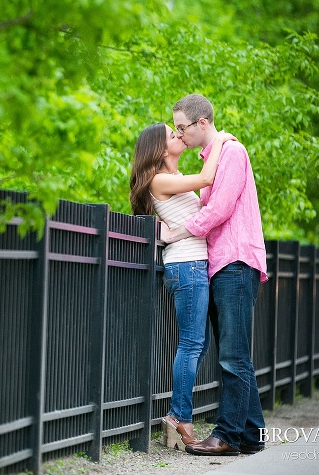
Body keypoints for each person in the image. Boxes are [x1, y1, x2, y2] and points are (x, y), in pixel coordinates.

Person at [162, 93, 268, 456]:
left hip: (235, 262)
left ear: (201, 123)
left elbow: (219, 209)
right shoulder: (215, 158)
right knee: (233, 353)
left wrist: (179, 231)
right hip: (222, 263)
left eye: (182, 127)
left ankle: (226, 436)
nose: (180, 135)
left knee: (232, 357)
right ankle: (252, 435)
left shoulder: (232, 153)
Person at [129, 122, 235, 450]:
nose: (179, 136)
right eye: (172, 135)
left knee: (197, 345)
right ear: (160, 150)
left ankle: (179, 414)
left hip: (192, 265)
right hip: (186, 266)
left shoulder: (172, 179)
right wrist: (220, 140)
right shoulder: (160, 180)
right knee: (191, 344)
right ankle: (179, 417)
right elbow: (207, 178)